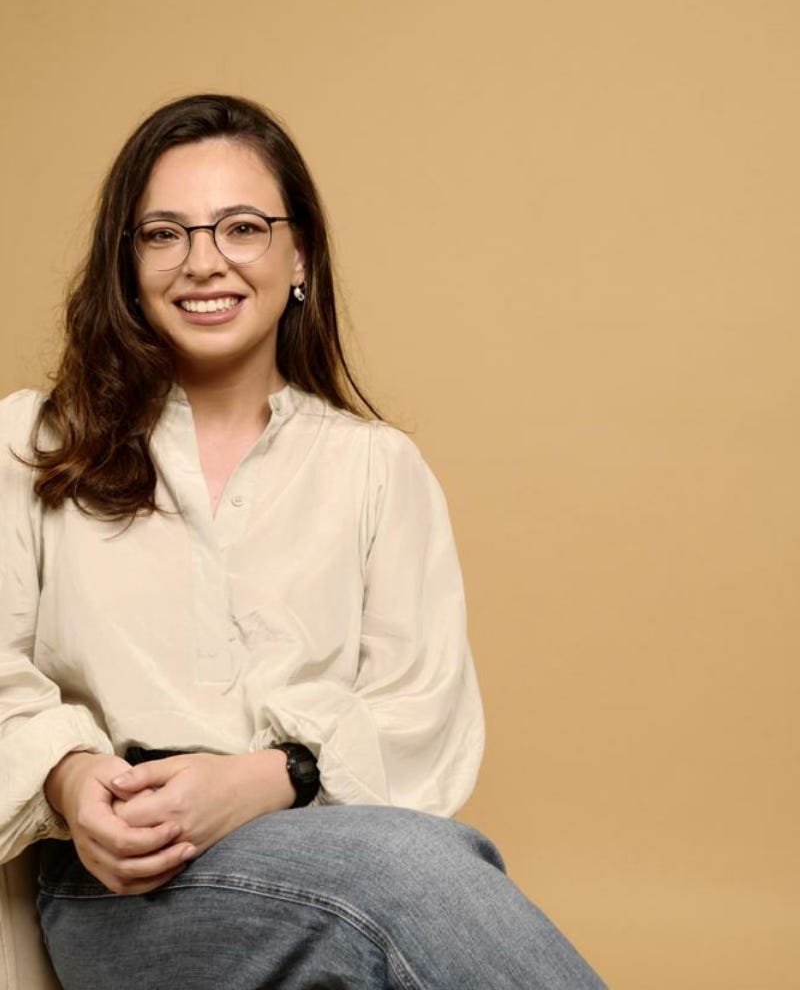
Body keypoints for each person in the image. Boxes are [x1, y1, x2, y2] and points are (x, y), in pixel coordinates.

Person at [0, 93, 607, 989]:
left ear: (300, 258)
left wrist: (272, 777)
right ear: (127, 266)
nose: (203, 261)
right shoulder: (33, 442)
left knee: (410, 869)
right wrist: (69, 774)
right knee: (418, 872)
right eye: (164, 234)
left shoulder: (378, 468)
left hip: (327, 850)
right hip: (118, 891)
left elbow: (423, 715)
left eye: (242, 228)